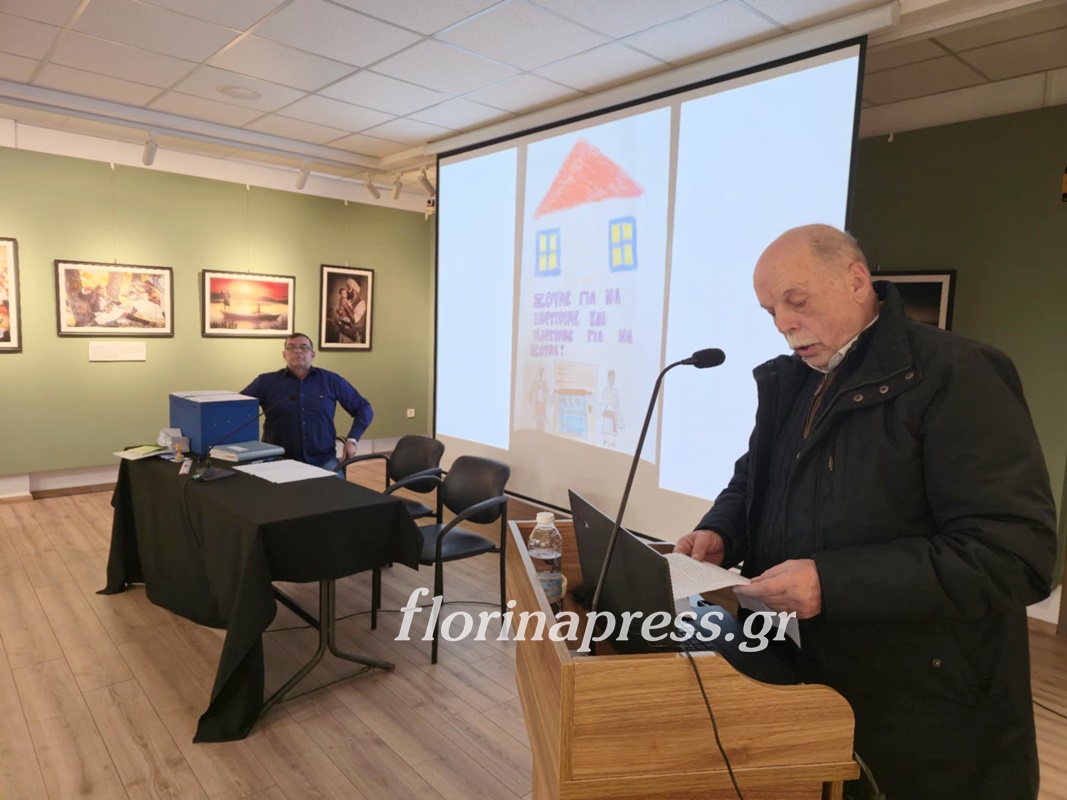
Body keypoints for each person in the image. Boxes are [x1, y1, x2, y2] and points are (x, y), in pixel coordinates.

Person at [673, 224, 1056, 800]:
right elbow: (755, 478)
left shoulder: (960, 374)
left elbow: (1015, 555)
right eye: (771, 311)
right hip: (803, 677)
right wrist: (721, 530)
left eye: (796, 301)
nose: (782, 324)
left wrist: (832, 582)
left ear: (856, 281)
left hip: (926, 716)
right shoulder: (794, 380)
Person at [241, 332, 373, 470]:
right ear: (284, 355)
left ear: (313, 355)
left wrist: (352, 440)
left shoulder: (331, 380)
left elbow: (363, 408)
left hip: (322, 459)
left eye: (304, 347)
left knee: (335, 485)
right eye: (291, 347)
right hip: (278, 459)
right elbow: (237, 408)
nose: (297, 351)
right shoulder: (266, 382)